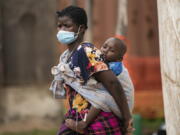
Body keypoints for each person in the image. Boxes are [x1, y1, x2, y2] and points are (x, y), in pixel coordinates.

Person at [50, 5, 132, 135]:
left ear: (81, 28)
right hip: (77, 116)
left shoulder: (87, 51)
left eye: (67, 26)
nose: (62, 30)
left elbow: (112, 83)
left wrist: (127, 118)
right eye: (59, 26)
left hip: (99, 120)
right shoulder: (66, 56)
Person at [64, 37, 135, 134]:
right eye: (104, 47)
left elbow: (104, 79)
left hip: (124, 103)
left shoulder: (116, 66)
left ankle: (83, 124)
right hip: (117, 99)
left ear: (119, 58)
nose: (105, 51)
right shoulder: (105, 62)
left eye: (112, 50)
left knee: (101, 97)